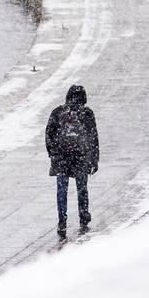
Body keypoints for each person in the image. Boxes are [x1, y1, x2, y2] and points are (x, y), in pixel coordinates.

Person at [44, 84, 100, 238]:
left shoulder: (58, 112)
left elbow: (49, 134)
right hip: (80, 157)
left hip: (62, 158)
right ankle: (83, 215)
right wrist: (94, 160)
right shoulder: (87, 113)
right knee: (82, 188)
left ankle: (62, 219)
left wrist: (53, 154)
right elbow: (93, 138)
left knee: (62, 190)